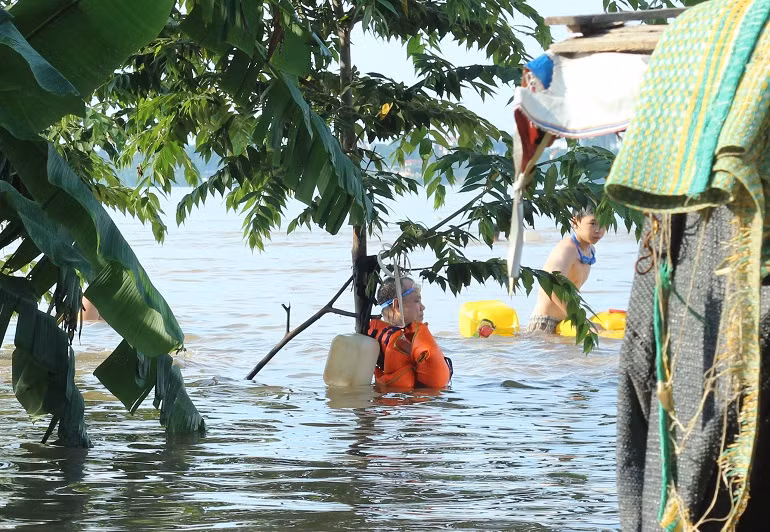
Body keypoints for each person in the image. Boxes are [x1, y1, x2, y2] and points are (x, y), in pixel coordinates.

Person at [527, 207, 605, 333]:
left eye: (603, 223)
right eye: (593, 223)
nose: (598, 230)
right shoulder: (567, 248)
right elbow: (553, 286)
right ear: (574, 222)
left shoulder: (590, 250)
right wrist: (579, 319)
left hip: (564, 325)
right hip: (546, 324)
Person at [367, 276, 452, 389]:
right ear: (397, 305)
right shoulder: (404, 345)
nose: (423, 307)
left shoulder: (373, 340)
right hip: (416, 404)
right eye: (417, 301)